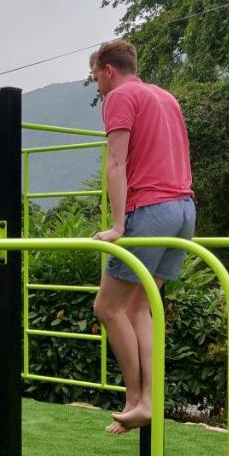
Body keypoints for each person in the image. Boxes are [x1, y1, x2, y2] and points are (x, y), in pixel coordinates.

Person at [88, 40, 196, 434]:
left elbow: (116, 162)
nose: (97, 84)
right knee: (138, 308)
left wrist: (118, 226)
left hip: (149, 211)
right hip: (183, 210)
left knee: (107, 307)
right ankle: (151, 399)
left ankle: (136, 399)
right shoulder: (166, 97)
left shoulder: (119, 97)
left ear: (109, 70)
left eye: (96, 76)